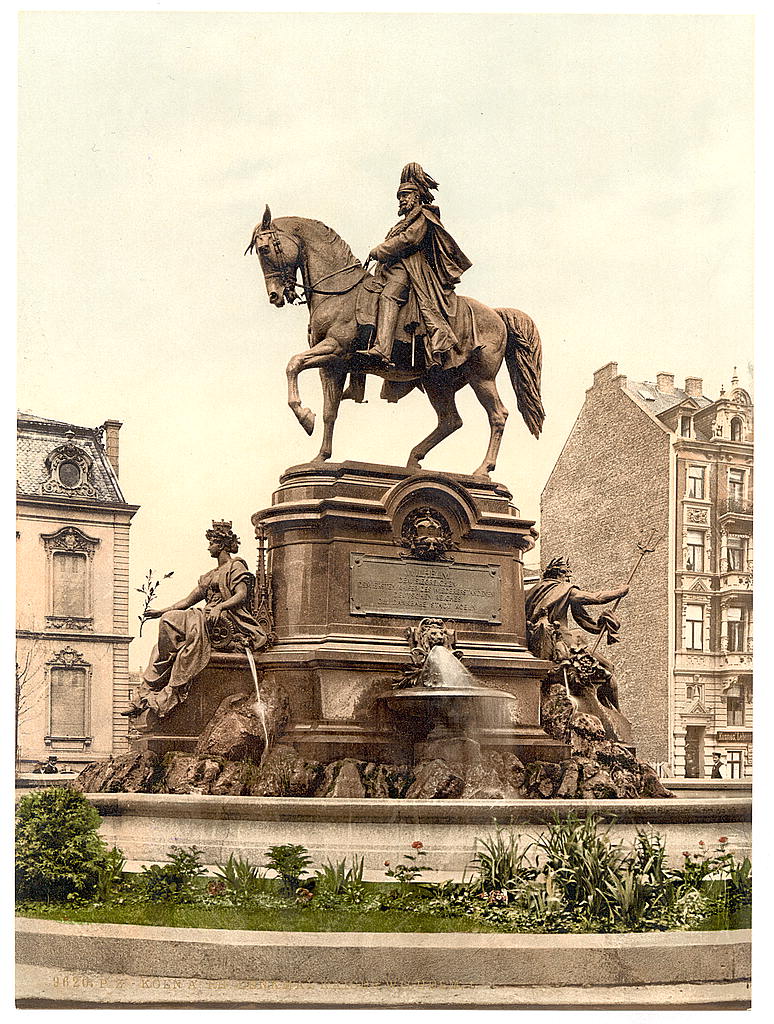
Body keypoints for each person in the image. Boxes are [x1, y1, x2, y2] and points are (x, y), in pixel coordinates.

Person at [122, 521, 267, 720]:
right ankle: (145, 695)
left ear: (222, 545)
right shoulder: (210, 575)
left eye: (212, 543)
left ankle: (165, 691)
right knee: (166, 625)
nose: (209, 547)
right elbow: (187, 600)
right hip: (206, 616)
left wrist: (220, 606)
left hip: (225, 617)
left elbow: (241, 594)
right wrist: (161, 611)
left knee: (173, 625)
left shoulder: (236, 565)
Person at [363, 163, 472, 369]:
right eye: (400, 197)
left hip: (412, 271)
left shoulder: (423, 216)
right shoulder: (401, 222)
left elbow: (409, 240)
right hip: (392, 269)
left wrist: (379, 250)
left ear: (416, 196)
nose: (402, 200)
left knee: (389, 295)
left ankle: (382, 349)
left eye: (406, 195)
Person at [525, 556, 629, 711]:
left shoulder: (533, 591)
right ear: (560, 573)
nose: (568, 577)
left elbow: (583, 619)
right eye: (566, 573)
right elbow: (596, 597)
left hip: (534, 642)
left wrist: (599, 627)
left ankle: (607, 709)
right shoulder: (564, 589)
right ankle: (616, 712)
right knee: (608, 668)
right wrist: (620, 592)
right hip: (563, 642)